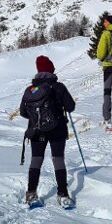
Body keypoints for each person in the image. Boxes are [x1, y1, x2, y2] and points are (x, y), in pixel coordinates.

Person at [19, 55, 77, 206]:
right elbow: (71, 107)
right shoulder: (58, 87)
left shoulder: (30, 90)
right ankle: (63, 194)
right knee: (58, 160)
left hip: (36, 130)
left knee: (36, 160)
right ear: (51, 70)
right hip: (57, 129)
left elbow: (23, 112)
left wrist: (36, 117)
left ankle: (31, 193)